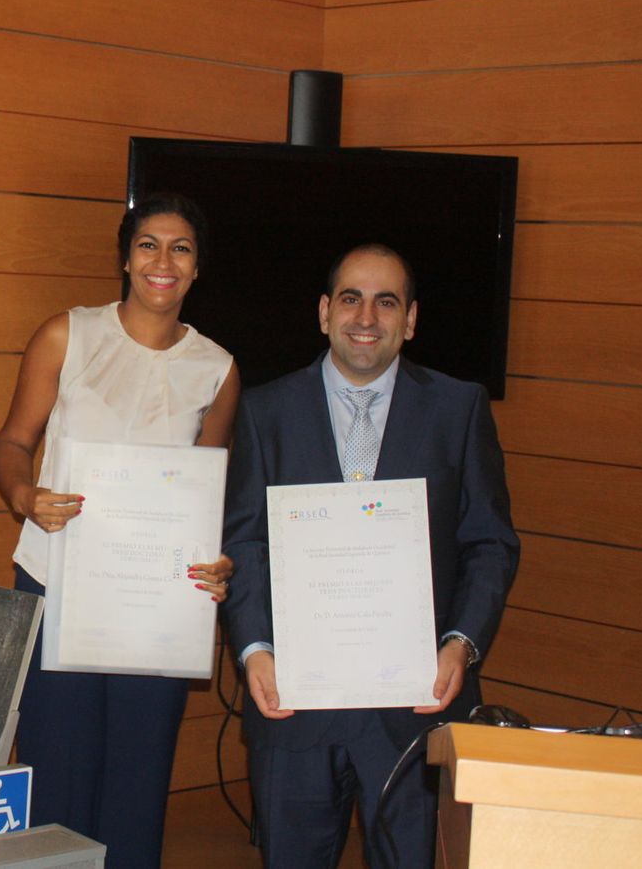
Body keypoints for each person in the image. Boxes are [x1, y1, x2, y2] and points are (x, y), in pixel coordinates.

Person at [221, 244, 520, 868]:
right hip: (292, 705)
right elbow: (244, 541)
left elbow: (490, 542)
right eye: (351, 298)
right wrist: (255, 649)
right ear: (325, 312)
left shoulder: (458, 408)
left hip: (414, 706)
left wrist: (460, 643)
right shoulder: (263, 411)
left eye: (387, 301)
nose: (367, 316)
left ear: (409, 320)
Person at [0, 192, 240, 868]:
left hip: (157, 604)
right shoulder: (66, 334)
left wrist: (216, 564)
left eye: (181, 248)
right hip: (59, 582)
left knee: (138, 781)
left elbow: (209, 493)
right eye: (149, 244)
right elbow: (13, 442)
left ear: (196, 269)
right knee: (56, 775)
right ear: (126, 258)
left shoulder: (217, 368)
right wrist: (25, 494)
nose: (164, 260)